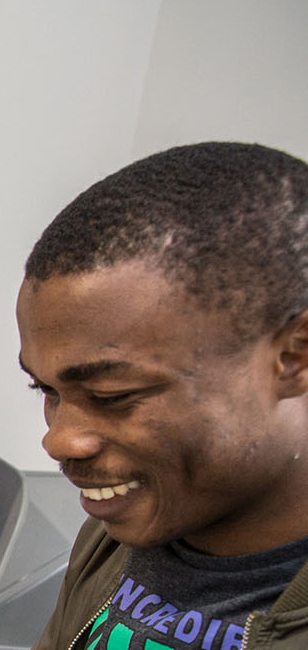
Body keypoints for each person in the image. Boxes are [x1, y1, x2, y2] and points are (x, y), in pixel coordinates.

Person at [23, 142, 308, 649]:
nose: (60, 441)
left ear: (294, 357)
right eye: (47, 389)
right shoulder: (124, 525)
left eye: (112, 395)